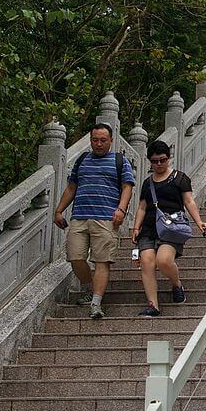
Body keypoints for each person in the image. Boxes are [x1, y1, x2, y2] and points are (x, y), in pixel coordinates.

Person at [53, 124, 136, 320]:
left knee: (102, 260)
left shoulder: (119, 161)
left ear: (111, 140)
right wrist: (58, 210)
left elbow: (127, 187)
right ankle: (92, 288)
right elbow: (71, 187)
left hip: (106, 218)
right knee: (75, 258)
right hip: (79, 216)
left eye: (103, 140)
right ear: (90, 140)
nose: (98, 144)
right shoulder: (82, 160)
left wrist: (121, 210)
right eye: (95, 140)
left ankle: (96, 303)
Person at [131, 141, 206, 317]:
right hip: (149, 227)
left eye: (163, 160)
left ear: (168, 158)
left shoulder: (180, 178)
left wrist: (199, 222)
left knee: (164, 260)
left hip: (171, 226)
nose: (159, 164)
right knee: (147, 262)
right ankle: (153, 305)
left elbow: (189, 201)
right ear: (150, 161)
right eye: (155, 161)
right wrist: (136, 227)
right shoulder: (147, 183)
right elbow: (142, 207)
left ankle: (177, 284)